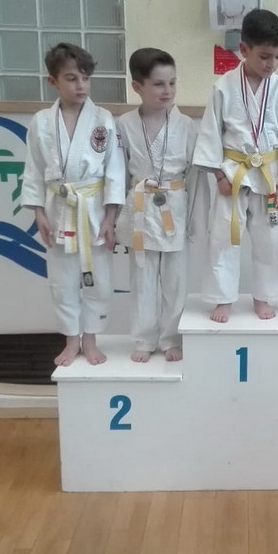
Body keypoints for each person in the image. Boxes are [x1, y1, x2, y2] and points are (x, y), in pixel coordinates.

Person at [193, 8, 278, 322]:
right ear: (244, 50)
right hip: (233, 174)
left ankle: (263, 296)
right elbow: (210, 133)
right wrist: (219, 176)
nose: (272, 64)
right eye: (265, 56)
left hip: (269, 177)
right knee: (223, 238)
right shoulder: (223, 87)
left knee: (270, 240)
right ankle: (223, 298)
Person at [20, 43, 125, 366]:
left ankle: (90, 339)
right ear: (53, 82)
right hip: (58, 210)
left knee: (98, 280)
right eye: (71, 79)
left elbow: (115, 171)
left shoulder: (103, 119)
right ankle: (70, 340)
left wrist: (111, 217)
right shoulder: (41, 121)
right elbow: (34, 169)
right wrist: (38, 213)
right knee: (62, 282)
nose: (81, 86)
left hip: (94, 209)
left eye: (85, 78)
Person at [115, 48, 199, 363]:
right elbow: (118, 172)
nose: (168, 91)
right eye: (159, 84)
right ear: (137, 86)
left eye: (172, 83)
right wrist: (115, 216)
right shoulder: (123, 124)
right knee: (142, 278)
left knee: (175, 280)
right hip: (139, 207)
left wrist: (194, 218)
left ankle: (172, 338)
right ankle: (144, 338)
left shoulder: (186, 125)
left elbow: (195, 175)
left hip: (174, 206)